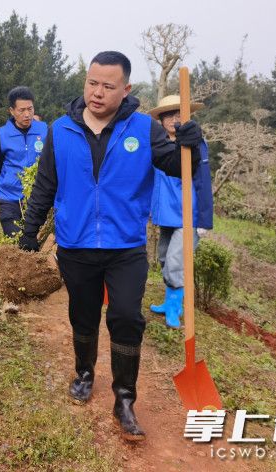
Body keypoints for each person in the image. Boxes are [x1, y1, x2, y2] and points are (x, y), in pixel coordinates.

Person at [19, 51, 204, 441]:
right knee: (83, 315)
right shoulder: (61, 130)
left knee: (125, 317)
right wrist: (29, 232)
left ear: (126, 89)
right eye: (91, 83)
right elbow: (45, 185)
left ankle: (124, 398)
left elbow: (176, 165)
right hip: (77, 243)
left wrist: (192, 145)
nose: (97, 93)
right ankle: (84, 373)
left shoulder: (143, 129)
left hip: (126, 245)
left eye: (107, 86)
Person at [148, 95, 214, 329]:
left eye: (178, 114)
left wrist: (205, 219)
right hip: (165, 214)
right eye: (169, 114)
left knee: (177, 262)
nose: (173, 119)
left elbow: (204, 180)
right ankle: (169, 302)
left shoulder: (194, 144)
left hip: (188, 214)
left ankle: (175, 309)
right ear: (162, 119)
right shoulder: (158, 144)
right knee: (166, 257)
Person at [0, 86, 48, 236]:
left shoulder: (44, 130)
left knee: (34, 241)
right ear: (12, 111)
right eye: (21, 110)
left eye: (30, 109)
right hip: (9, 195)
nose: (27, 114)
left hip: (36, 196)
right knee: (14, 239)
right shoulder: (3, 134)